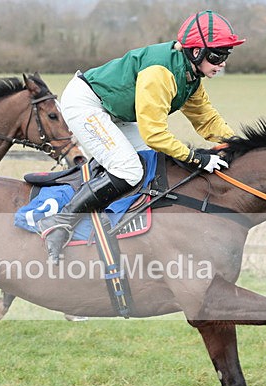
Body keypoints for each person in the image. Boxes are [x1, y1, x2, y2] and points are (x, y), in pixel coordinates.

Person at [37, 10, 246, 263]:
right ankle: (61, 222)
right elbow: (154, 134)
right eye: (217, 55)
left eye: (226, 55)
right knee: (129, 169)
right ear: (195, 51)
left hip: (114, 110)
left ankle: (118, 221)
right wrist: (197, 159)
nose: (222, 62)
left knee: (150, 165)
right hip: (87, 103)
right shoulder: (161, 72)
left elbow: (207, 120)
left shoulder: (190, 77)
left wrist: (240, 145)